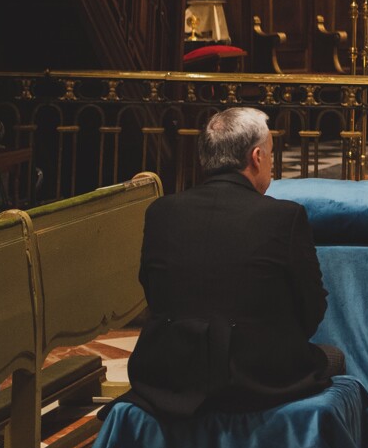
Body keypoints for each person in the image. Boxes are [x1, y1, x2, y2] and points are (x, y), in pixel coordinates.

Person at [126, 108, 343, 418]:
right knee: (334, 357)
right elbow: (310, 314)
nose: (271, 162)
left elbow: (155, 296)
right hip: (252, 378)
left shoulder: (161, 211)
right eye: (270, 154)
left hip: (168, 374)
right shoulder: (284, 217)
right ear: (256, 157)